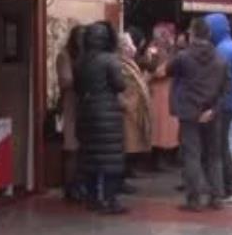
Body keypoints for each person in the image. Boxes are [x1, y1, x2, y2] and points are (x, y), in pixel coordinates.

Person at [167, 17, 229, 212]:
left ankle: (194, 199)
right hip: (213, 112)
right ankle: (217, 196)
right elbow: (226, 88)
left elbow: (168, 70)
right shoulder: (221, 58)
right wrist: (214, 109)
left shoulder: (184, 57)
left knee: (192, 155)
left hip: (189, 111)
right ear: (209, 35)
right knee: (214, 156)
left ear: (192, 34)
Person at [76, 22, 128, 215]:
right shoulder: (110, 59)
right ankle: (110, 199)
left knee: (91, 157)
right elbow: (120, 85)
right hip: (108, 113)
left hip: (87, 112)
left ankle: (92, 199)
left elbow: (77, 87)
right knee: (111, 159)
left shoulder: (80, 61)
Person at [205, 13, 232, 203]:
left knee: (220, 147)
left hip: (224, 104)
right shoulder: (230, 46)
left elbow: (217, 79)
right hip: (230, 102)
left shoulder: (223, 50)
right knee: (221, 146)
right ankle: (228, 187)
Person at [140, 23, 180, 171]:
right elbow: (152, 68)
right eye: (166, 34)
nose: (169, 37)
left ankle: (164, 157)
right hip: (158, 92)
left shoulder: (170, 50)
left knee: (166, 128)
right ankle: (156, 159)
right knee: (158, 127)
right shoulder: (153, 49)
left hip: (167, 91)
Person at [118, 32, 152, 187]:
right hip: (127, 110)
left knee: (130, 146)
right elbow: (127, 88)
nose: (132, 48)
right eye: (128, 44)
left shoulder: (130, 62)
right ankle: (120, 180)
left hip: (134, 110)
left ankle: (124, 176)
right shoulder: (120, 64)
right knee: (125, 146)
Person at [57, 25, 85, 201]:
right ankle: (70, 187)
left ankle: (80, 184)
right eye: (80, 38)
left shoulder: (85, 56)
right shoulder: (65, 56)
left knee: (82, 149)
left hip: (84, 107)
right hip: (71, 105)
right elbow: (65, 81)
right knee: (72, 148)